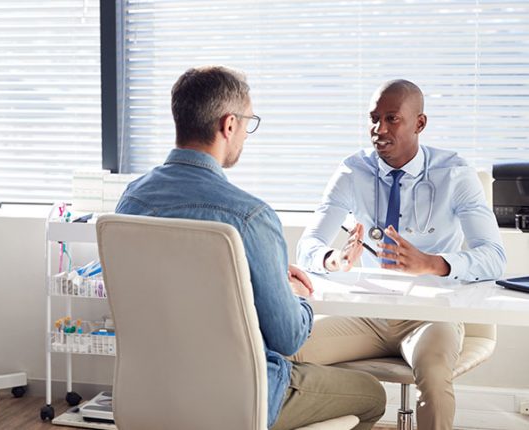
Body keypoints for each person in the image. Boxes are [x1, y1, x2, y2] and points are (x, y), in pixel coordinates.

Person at [116, 66, 386, 430]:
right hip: (244, 397)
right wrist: (292, 293)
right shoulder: (250, 216)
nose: (246, 133)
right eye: (248, 122)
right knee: (372, 395)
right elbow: (288, 337)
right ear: (229, 125)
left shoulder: (131, 201)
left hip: (153, 391)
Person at [296, 79, 507, 430]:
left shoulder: (454, 173)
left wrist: (431, 263)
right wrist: (334, 260)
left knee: (436, 379)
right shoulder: (353, 171)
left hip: (431, 315)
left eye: (392, 119)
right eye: (373, 118)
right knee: (284, 351)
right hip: (368, 315)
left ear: (419, 123)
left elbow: (494, 257)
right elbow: (308, 247)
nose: (379, 129)